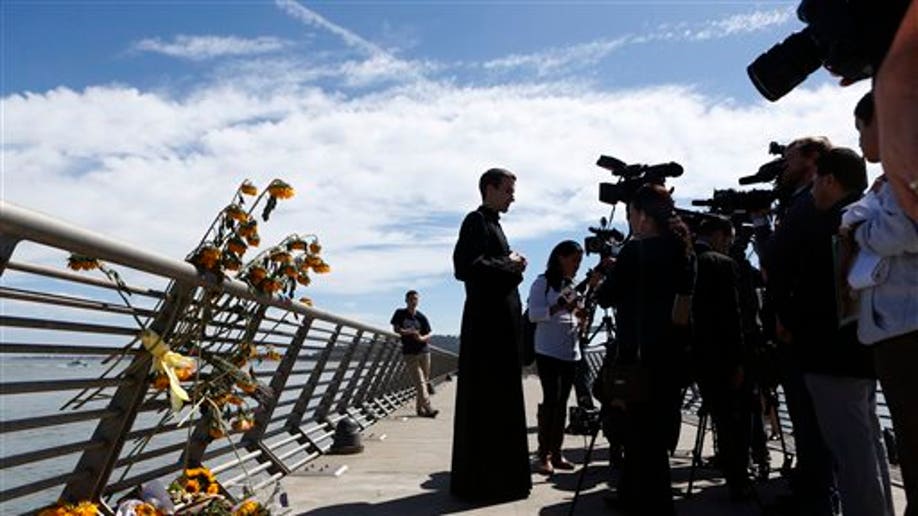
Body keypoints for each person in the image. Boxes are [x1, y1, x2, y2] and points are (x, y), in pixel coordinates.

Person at [799, 146, 893, 516]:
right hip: (863, 354)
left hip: (834, 357)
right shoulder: (867, 216)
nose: (811, 192)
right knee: (869, 449)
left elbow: (829, 294)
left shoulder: (839, 226)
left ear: (830, 180)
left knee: (851, 457)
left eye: (815, 183)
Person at [596, 184, 695, 515]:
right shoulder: (682, 250)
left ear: (643, 216)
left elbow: (606, 297)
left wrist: (609, 272)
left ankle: (649, 504)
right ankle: (632, 496)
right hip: (673, 355)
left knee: (639, 435)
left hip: (637, 358)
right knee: (654, 434)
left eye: (631, 213)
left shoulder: (635, 252)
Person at [844, 91, 918, 516]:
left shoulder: (904, 169)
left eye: (862, 127)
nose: (859, 140)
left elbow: (903, 233)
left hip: (907, 334)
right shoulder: (890, 179)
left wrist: (860, 232)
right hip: (898, 331)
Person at [755, 136, 837, 515]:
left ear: (813, 159)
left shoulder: (813, 204)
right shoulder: (800, 203)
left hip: (805, 328)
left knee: (812, 418)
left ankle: (819, 498)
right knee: (805, 419)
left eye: (789, 158)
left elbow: (783, 262)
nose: (783, 165)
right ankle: (811, 489)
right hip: (797, 327)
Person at [450, 168, 531, 502]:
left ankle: (502, 479)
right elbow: (464, 267)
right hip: (487, 331)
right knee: (488, 402)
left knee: (501, 402)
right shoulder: (476, 221)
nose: (513, 195)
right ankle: (484, 481)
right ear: (490, 188)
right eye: (509, 189)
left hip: (499, 329)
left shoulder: (494, 223)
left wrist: (510, 263)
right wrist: (511, 264)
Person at [691, 215, 752, 501]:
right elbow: (733, 317)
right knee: (731, 420)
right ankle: (738, 479)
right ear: (718, 235)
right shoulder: (722, 264)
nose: (729, 245)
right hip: (720, 355)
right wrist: (738, 359)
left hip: (689, 353)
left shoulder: (685, 258)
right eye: (728, 238)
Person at [527, 240, 593, 475]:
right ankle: (543, 454)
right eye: (574, 260)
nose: (576, 266)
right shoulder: (542, 283)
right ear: (560, 258)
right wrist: (560, 307)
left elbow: (576, 314)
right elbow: (534, 315)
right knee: (551, 400)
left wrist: (582, 314)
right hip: (547, 351)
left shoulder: (569, 286)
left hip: (570, 352)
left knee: (562, 402)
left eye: (579, 261)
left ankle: (556, 452)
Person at [390, 290, 438, 418]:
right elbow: (396, 328)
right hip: (410, 353)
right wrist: (407, 332)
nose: (413, 301)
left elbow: (429, 333)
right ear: (406, 300)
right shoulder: (400, 313)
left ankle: (419, 410)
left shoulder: (421, 317)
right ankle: (428, 408)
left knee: (423, 381)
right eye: (411, 299)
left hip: (424, 352)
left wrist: (422, 338)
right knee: (420, 382)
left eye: (415, 299)